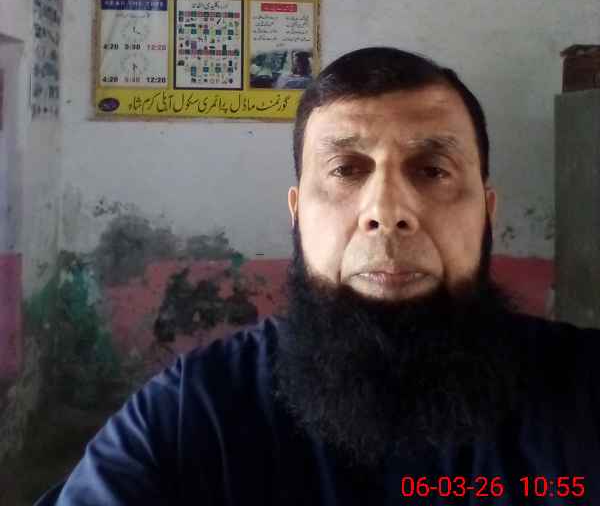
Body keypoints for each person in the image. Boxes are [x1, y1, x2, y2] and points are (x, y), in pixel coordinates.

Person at [41, 47, 600, 505]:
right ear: (297, 213)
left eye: (432, 170)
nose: (386, 210)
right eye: (345, 170)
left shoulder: (584, 396)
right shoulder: (190, 416)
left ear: (487, 211)